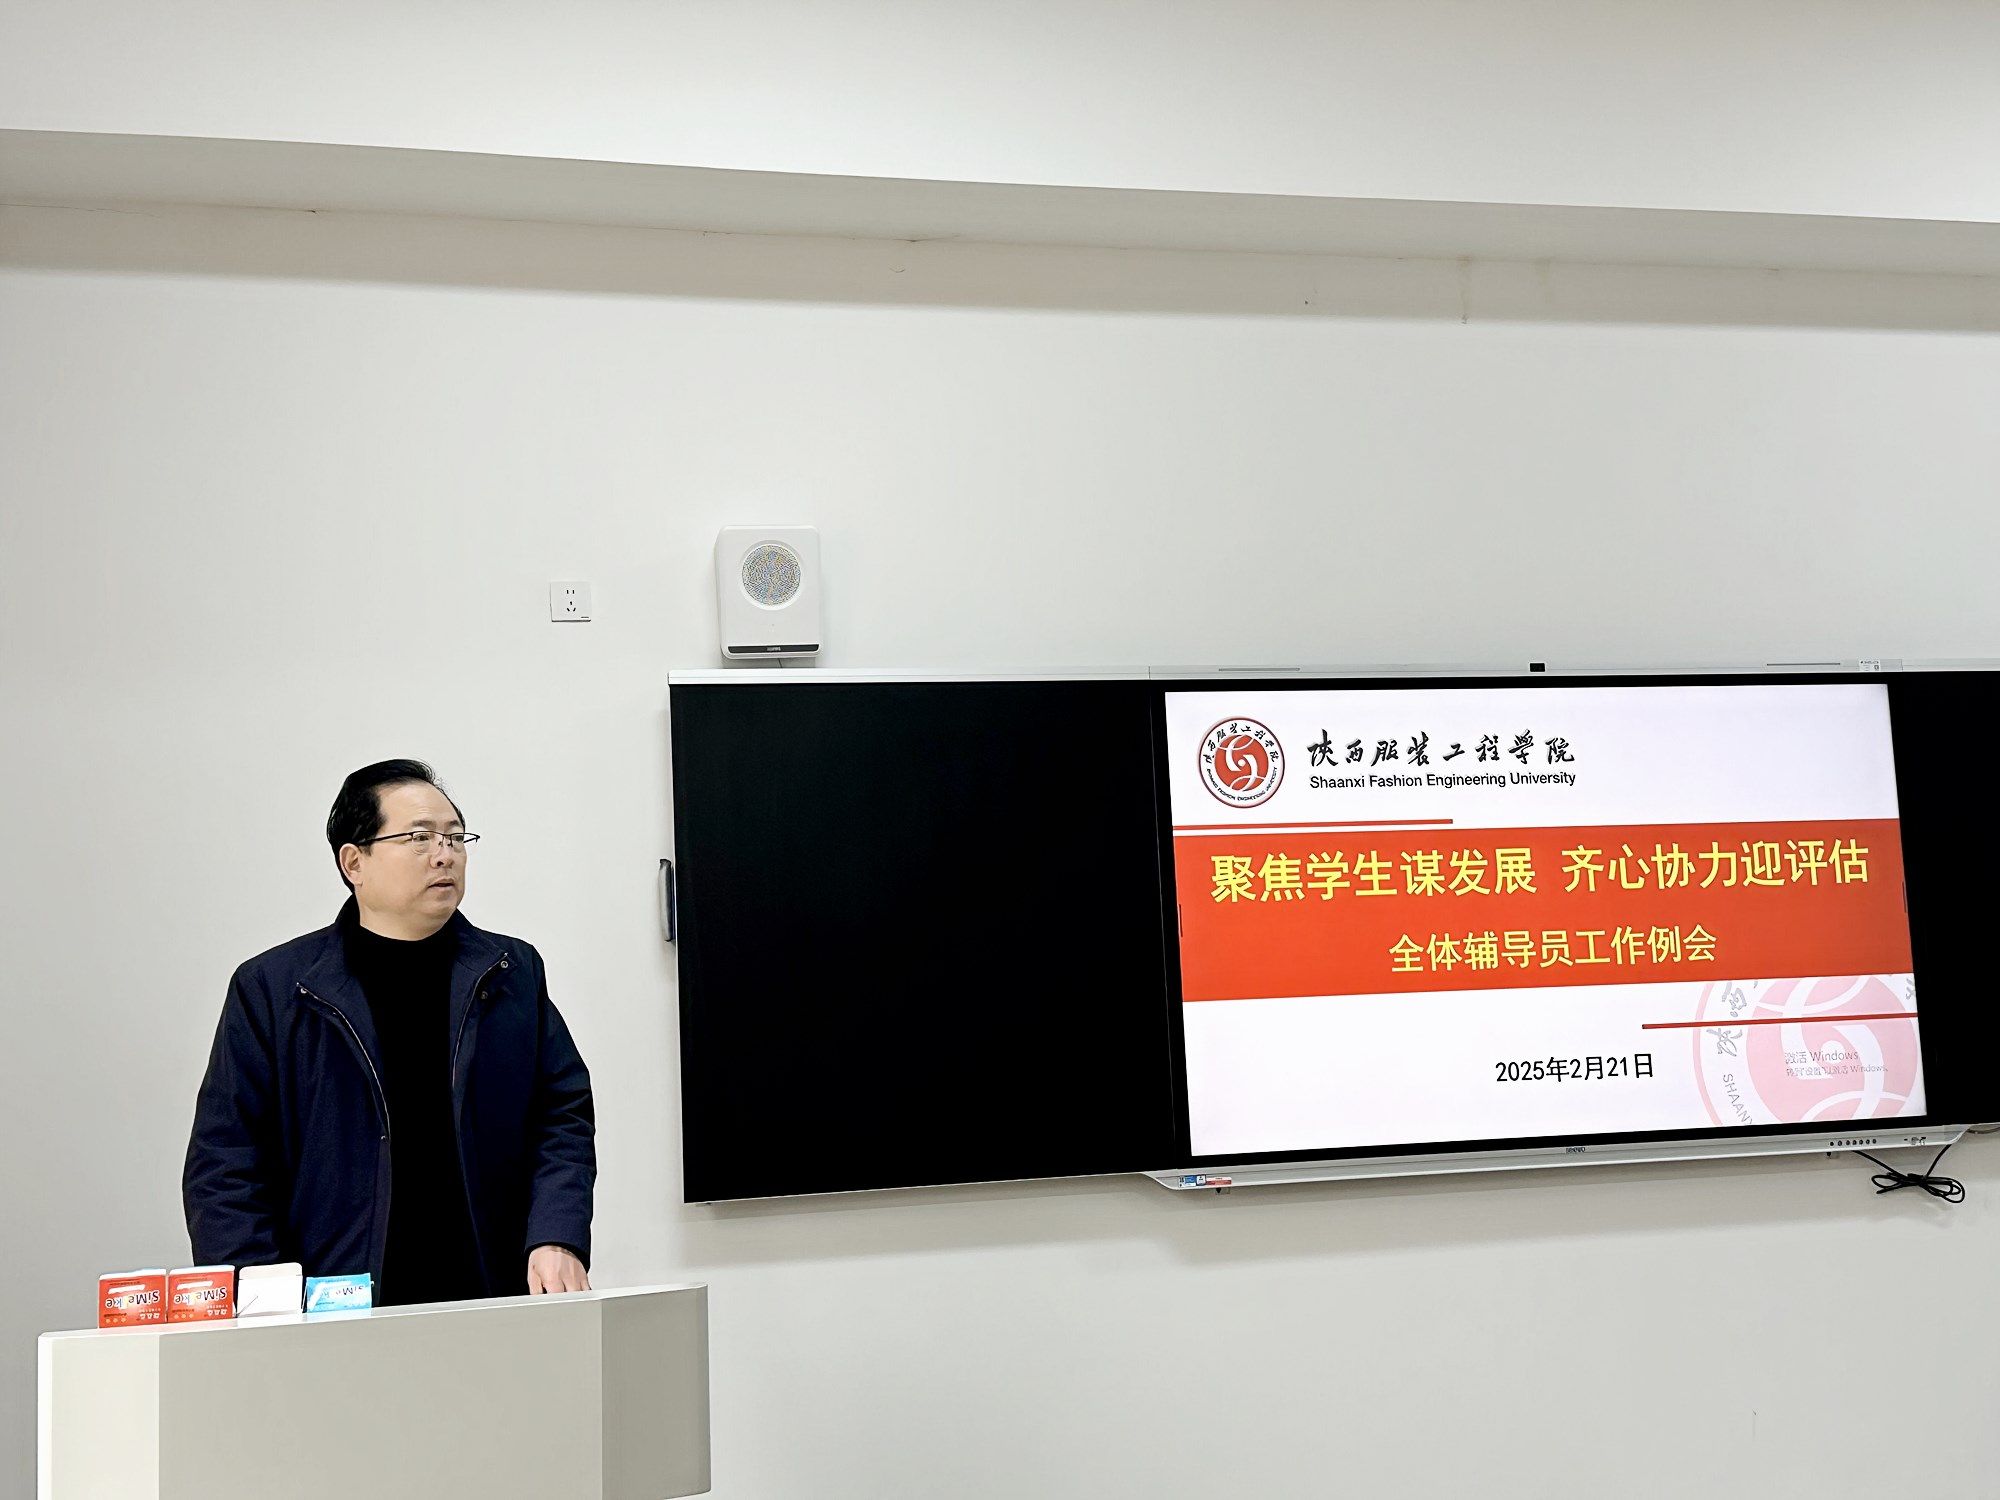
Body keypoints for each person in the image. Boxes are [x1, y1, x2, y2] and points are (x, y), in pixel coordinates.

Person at [184, 759, 595, 1305]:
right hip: (331, 1305)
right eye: (419, 838)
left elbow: (562, 1115)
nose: (444, 855)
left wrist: (556, 1235)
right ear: (354, 862)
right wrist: (261, 1300)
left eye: (455, 837)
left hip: (493, 1293)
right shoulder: (276, 989)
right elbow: (225, 1163)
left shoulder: (510, 971)